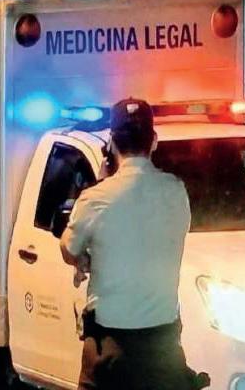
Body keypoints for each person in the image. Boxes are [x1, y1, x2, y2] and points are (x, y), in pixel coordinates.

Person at [60, 98, 205, 390]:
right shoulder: (176, 192)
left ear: (112, 143)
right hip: (163, 350)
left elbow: (68, 248)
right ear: (153, 141)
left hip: (110, 351)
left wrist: (84, 258)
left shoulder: (95, 199)